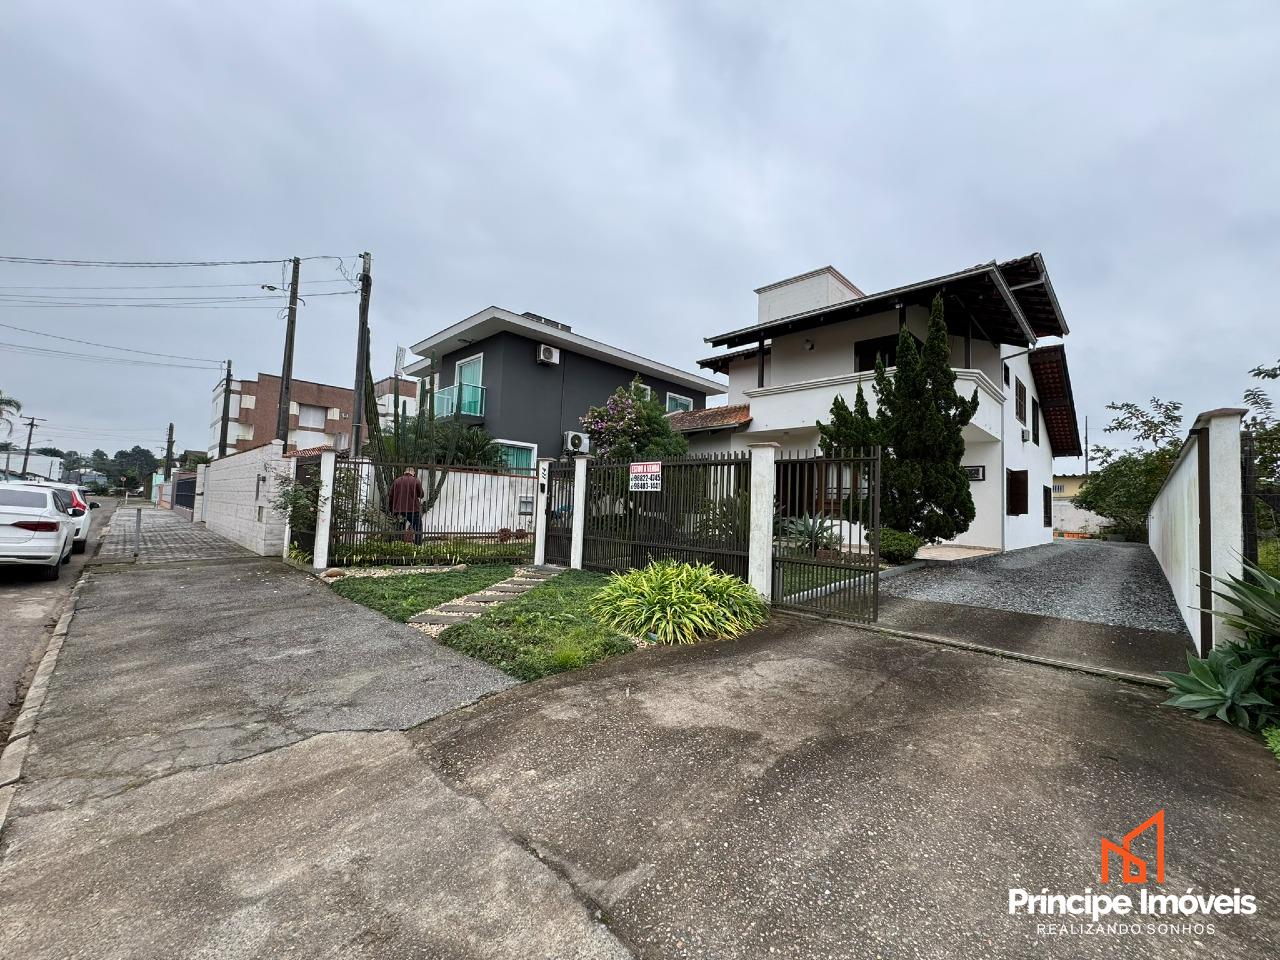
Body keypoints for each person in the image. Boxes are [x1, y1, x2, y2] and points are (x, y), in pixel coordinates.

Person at [388, 468, 425, 544]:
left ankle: (398, 544)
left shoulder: (397, 481)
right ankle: (418, 545)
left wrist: (391, 509)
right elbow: (421, 495)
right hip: (413, 510)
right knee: (418, 528)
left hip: (399, 510)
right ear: (413, 473)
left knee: (399, 528)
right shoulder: (416, 481)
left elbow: (391, 495)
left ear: (405, 472)